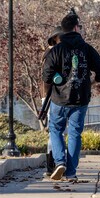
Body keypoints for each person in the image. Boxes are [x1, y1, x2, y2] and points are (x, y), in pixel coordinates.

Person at [42, 10, 100, 181]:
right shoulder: (87, 48)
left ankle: (60, 162)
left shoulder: (56, 50)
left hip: (59, 100)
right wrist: (93, 80)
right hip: (81, 99)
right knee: (75, 133)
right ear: (76, 28)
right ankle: (71, 172)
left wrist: (58, 79)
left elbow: (46, 75)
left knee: (55, 130)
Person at [41, 26, 63, 177]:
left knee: (55, 131)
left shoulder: (51, 53)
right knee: (55, 131)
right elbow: (48, 78)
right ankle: (53, 164)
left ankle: (54, 164)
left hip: (56, 95)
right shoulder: (51, 53)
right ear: (55, 39)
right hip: (52, 96)